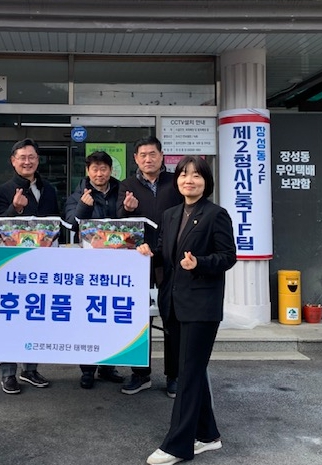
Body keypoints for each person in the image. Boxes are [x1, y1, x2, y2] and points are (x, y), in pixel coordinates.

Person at [138, 155, 236, 465]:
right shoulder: (170, 215)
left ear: (206, 182)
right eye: (183, 174)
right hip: (174, 304)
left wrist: (200, 263)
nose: (188, 180)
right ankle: (208, 435)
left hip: (201, 307)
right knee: (189, 371)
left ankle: (177, 446)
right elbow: (165, 255)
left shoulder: (216, 215)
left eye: (196, 175)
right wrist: (149, 253)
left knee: (189, 374)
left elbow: (228, 256)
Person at [116, 136, 183, 397]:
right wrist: (126, 209)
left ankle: (174, 375)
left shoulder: (175, 182)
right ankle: (140, 373)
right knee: (138, 318)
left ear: (161, 156)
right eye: (142, 155)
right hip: (139, 260)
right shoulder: (127, 185)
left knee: (172, 317)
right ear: (135, 158)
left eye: (152, 154)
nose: (148, 159)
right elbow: (119, 222)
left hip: (170, 259)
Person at [0, 138, 59, 394]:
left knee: (36, 316)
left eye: (32, 157)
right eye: (22, 157)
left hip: (43, 264)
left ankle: (30, 369)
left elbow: (55, 224)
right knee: (11, 317)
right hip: (13, 266)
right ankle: (8, 373)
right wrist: (15, 209)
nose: (27, 162)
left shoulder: (49, 189)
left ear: (38, 160)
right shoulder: (3, 190)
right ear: (13, 161)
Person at [64, 150, 124, 389]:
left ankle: (108, 367)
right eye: (95, 169)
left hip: (118, 266)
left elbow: (129, 224)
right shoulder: (78, 194)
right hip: (88, 267)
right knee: (89, 316)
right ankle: (87, 369)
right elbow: (70, 224)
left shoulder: (122, 191)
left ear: (111, 170)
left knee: (112, 317)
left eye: (103, 169)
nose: (99, 174)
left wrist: (130, 209)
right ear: (88, 171)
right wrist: (82, 207)